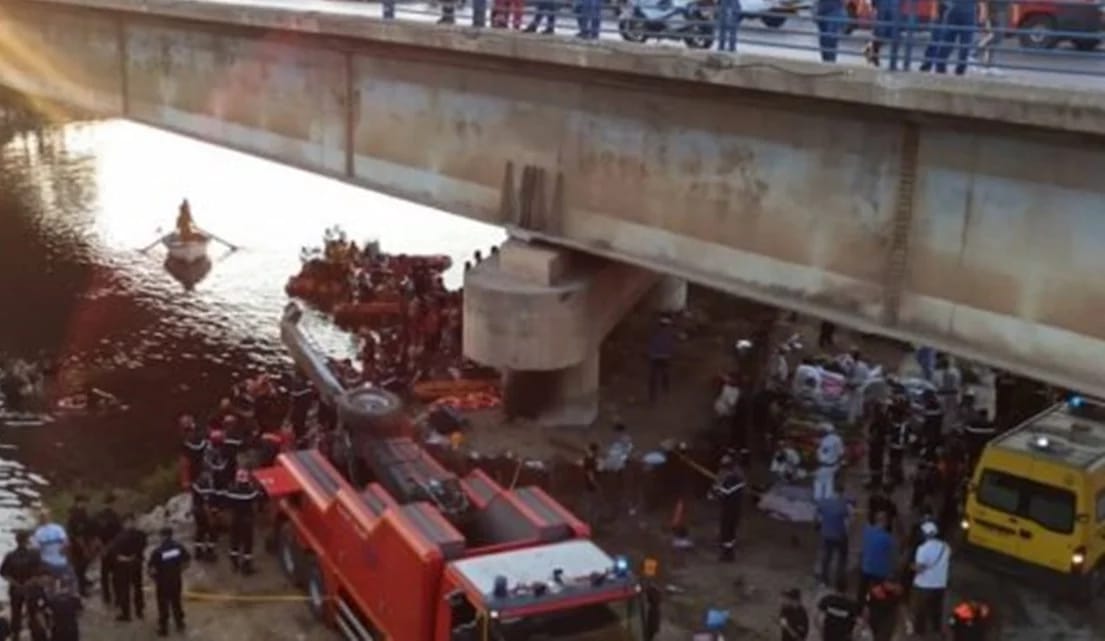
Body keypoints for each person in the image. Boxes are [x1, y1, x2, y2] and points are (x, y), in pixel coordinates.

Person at [148, 527, 190, 636]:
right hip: (175, 580)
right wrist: (179, 571)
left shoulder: (158, 551)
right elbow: (187, 561)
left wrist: (155, 578)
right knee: (176, 602)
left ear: (162, 536)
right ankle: (180, 623)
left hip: (162, 582)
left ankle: (164, 628)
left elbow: (152, 569)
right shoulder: (178, 547)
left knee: (163, 604)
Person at [911, 521, 950, 638]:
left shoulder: (922, 549)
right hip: (940, 585)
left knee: (920, 612)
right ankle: (936, 631)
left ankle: (919, 633)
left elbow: (920, 568)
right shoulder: (946, 547)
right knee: (936, 611)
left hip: (923, 585)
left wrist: (911, 566)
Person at [1, 530, 42, 639]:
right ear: (27, 540)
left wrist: (16, 584)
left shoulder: (10, 555)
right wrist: (28, 583)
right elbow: (39, 572)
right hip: (31, 588)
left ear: (16, 541)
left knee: (16, 614)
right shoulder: (34, 554)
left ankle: (16, 635)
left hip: (15, 589)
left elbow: (4, 573)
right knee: (33, 613)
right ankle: (36, 635)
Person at [107, 513, 147, 622]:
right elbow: (143, 546)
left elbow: (114, 553)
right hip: (137, 563)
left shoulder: (120, 537)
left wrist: (123, 559)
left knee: (124, 589)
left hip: (124, 566)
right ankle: (139, 610)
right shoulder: (141, 534)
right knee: (138, 588)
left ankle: (126, 614)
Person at [225, 469, 262, 574]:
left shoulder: (231, 490)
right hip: (247, 520)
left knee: (234, 542)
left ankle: (234, 564)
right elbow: (259, 496)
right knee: (247, 543)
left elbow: (227, 503)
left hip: (235, 519)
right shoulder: (250, 491)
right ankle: (246, 566)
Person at [709, 457, 746, 562]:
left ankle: (728, 554)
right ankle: (727, 548)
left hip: (731, 508)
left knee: (727, 529)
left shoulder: (733, 479)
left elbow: (724, 491)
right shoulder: (736, 475)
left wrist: (714, 491)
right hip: (732, 507)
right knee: (729, 529)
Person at [815, 487, 851, 589]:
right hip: (840, 535)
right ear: (841, 493)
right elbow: (847, 520)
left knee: (826, 558)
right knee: (842, 558)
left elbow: (817, 514)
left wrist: (818, 525)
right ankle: (839, 580)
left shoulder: (824, 502)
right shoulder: (842, 505)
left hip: (826, 535)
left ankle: (824, 580)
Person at [859, 510, 896, 601]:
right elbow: (893, 555)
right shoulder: (888, 538)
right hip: (880, 571)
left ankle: (860, 604)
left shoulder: (867, 531)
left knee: (862, 590)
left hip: (866, 567)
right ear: (885, 523)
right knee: (878, 593)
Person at [94, 494, 122, 605]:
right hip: (114, 547)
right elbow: (119, 534)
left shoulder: (98, 516)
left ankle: (107, 597)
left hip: (104, 548)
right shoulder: (115, 516)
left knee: (104, 574)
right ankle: (118, 597)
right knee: (116, 574)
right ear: (113, 503)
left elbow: (96, 535)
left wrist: (101, 549)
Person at [65, 496, 94, 596]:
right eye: (84, 502)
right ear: (79, 502)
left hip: (84, 541)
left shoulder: (82, 513)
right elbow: (77, 534)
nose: (86, 504)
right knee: (80, 565)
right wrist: (84, 547)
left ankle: (83, 579)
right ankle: (81, 588)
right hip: (78, 544)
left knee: (85, 563)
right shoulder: (76, 516)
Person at [31, 509, 70, 580]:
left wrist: (63, 549)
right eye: (42, 516)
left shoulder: (56, 528)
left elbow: (65, 542)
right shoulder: (39, 532)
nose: (44, 518)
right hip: (52, 562)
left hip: (55, 562)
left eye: (44, 516)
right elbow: (36, 549)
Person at [191, 469, 219, 562]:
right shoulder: (207, 484)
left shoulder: (196, 483)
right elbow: (206, 503)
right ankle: (209, 552)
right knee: (212, 532)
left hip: (196, 510)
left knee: (200, 531)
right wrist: (211, 515)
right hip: (204, 511)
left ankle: (198, 551)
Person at [647, 316, 675, 402]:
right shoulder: (669, 335)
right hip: (665, 358)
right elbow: (671, 347)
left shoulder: (655, 334)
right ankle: (666, 394)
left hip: (655, 358)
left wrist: (651, 355)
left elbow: (651, 346)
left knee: (654, 377)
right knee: (665, 376)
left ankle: (653, 397)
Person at [45, 577, 81, 641]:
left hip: (58, 629)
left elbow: (48, 613)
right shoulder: (74, 599)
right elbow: (79, 613)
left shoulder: (52, 601)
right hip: (71, 628)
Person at [814, 423, 844, 500]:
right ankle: (828, 498)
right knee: (829, 483)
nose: (819, 433)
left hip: (825, 466)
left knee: (820, 485)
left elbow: (822, 456)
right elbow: (840, 453)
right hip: (833, 465)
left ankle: (821, 500)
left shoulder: (826, 441)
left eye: (821, 431)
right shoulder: (837, 439)